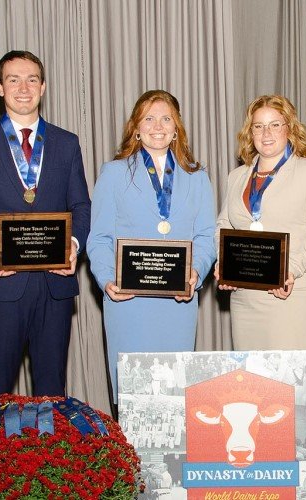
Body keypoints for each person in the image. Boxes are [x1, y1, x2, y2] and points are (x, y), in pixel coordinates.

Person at [0, 50, 91, 404]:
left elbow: (81, 206)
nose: (22, 88)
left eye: (31, 79)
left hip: (54, 284)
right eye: (13, 79)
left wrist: (72, 245)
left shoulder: (67, 142)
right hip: (1, 285)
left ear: (43, 87)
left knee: (52, 389)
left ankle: (52, 459)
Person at [87, 90, 216, 396]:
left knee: (173, 397)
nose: (157, 125)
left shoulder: (197, 176)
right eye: (149, 118)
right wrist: (107, 281)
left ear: (176, 129)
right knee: (133, 397)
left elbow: (205, 236)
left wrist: (195, 273)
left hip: (178, 304)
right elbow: (100, 237)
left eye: (166, 118)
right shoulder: (114, 173)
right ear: (136, 127)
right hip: (128, 303)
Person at [215, 95, 306, 350]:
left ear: (290, 129)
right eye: (258, 126)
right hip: (245, 297)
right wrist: (224, 264)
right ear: (250, 133)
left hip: (293, 293)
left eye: (275, 124)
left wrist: (291, 268)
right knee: (252, 385)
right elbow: (223, 225)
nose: (266, 133)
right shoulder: (236, 176)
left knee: (292, 382)